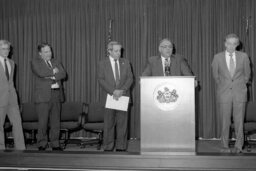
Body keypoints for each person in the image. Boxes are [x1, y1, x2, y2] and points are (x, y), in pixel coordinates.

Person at [212, 33, 251, 153]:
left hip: (239, 93)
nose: (231, 46)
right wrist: (225, 85)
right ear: (225, 44)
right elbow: (216, 76)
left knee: (239, 122)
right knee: (225, 121)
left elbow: (247, 75)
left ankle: (239, 146)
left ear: (237, 45)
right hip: (224, 93)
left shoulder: (244, 56)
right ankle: (224, 146)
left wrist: (239, 86)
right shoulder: (217, 57)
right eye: (229, 43)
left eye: (234, 44)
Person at [98, 41, 133, 152]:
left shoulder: (126, 62)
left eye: (120, 51)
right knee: (109, 124)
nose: (119, 53)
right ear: (109, 51)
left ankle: (121, 147)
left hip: (123, 96)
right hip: (110, 97)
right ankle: (108, 147)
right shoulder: (102, 63)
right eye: (116, 51)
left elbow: (130, 78)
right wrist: (113, 91)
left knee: (122, 124)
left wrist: (121, 91)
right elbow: (101, 80)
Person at [31, 43, 66, 151]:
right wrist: (53, 72)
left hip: (56, 94)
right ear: (40, 53)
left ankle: (55, 144)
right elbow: (41, 73)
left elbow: (63, 74)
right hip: (43, 96)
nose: (49, 53)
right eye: (46, 51)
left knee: (56, 121)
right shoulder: (35, 62)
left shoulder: (56, 61)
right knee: (43, 122)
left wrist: (51, 76)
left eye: (50, 51)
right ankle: (42, 143)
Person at [0, 40, 25, 150]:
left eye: (8, 49)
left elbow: (10, 82)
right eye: (3, 49)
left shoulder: (12, 63)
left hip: (12, 99)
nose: (6, 51)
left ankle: (21, 149)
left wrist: (15, 97)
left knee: (17, 124)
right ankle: (1, 150)